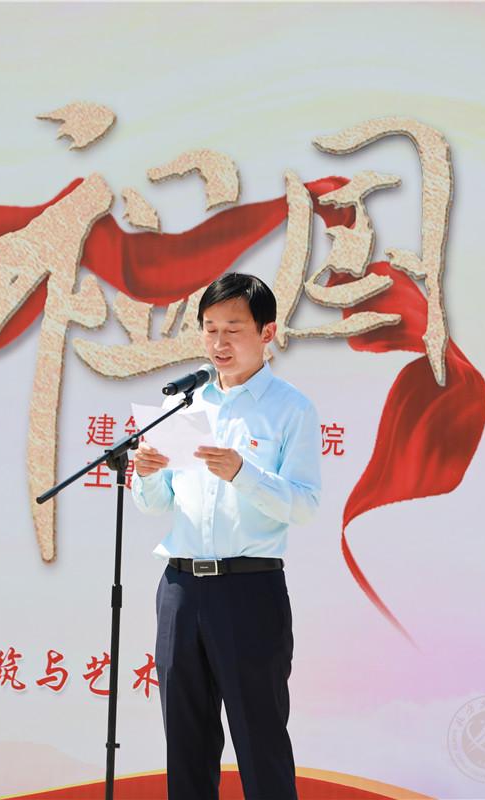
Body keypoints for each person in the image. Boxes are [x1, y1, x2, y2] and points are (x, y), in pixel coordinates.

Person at [131, 272, 322, 800]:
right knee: (186, 745)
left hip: (249, 590)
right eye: (210, 328)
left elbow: (304, 505)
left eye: (233, 329)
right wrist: (145, 475)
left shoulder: (291, 408)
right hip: (180, 589)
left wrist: (243, 473)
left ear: (267, 333)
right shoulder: (184, 405)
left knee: (260, 743)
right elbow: (157, 504)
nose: (219, 342)